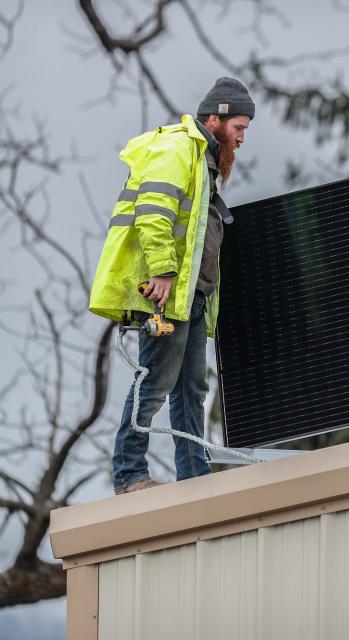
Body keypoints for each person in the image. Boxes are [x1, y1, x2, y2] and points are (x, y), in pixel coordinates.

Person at [88, 77, 255, 494]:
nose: (241, 138)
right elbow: (153, 212)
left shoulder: (205, 160)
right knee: (156, 382)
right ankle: (128, 473)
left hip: (190, 296)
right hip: (164, 294)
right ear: (214, 118)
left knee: (191, 388)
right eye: (238, 127)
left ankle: (193, 476)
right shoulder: (179, 148)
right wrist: (162, 271)